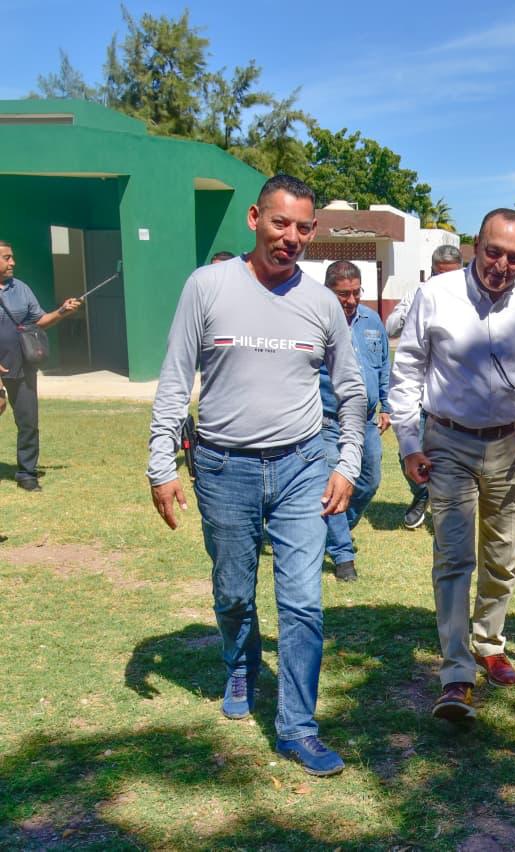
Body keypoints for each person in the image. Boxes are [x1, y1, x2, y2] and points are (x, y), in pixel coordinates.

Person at [147, 174, 367, 777]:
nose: (290, 237)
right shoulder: (207, 287)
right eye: (279, 223)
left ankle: (298, 727)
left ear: (312, 232)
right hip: (222, 469)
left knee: (302, 602)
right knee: (235, 592)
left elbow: (351, 390)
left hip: (302, 467)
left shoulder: (322, 303)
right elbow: (174, 379)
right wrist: (160, 461)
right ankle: (240, 665)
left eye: (302, 228)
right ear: (254, 218)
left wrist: (347, 463)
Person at [389, 208, 515, 722]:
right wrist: (408, 443)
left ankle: (490, 643)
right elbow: (407, 375)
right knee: (453, 557)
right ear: (475, 245)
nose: (501, 265)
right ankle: (456, 671)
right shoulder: (435, 296)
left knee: (502, 556)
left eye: (514, 258)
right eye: (493, 252)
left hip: (512, 446)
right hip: (448, 443)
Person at [319, 260, 391, 581]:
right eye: (342, 294)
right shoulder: (316, 322)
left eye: (355, 292)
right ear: (328, 292)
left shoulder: (372, 321)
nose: (350, 300)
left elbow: (383, 365)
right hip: (327, 420)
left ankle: (335, 529)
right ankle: (344, 557)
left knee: (369, 480)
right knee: (335, 485)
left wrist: (386, 404)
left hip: (366, 421)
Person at [386, 244, 464, 530]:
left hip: (451, 396)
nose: (444, 282)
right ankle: (422, 495)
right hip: (416, 394)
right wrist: (414, 315)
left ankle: (448, 510)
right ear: (431, 271)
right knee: (408, 451)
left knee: (451, 458)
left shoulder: (470, 300)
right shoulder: (417, 294)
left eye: (451, 275)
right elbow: (390, 327)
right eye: (439, 274)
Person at [0, 240, 83, 492]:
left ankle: (26, 473)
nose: (12, 262)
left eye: (12, 257)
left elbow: (40, 320)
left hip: (21, 365)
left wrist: (62, 311)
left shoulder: (21, 289)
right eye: (6, 258)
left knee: (28, 422)